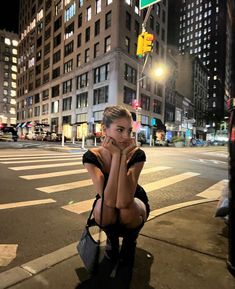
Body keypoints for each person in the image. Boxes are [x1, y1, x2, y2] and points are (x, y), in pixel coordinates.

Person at [82, 105, 150, 269]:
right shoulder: (92, 157)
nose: (126, 136)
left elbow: (124, 201)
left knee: (126, 210)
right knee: (103, 209)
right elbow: (110, 200)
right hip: (107, 202)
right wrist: (117, 156)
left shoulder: (137, 154)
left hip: (134, 200)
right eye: (120, 130)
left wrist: (122, 155)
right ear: (105, 130)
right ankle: (112, 240)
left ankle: (130, 241)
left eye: (129, 130)